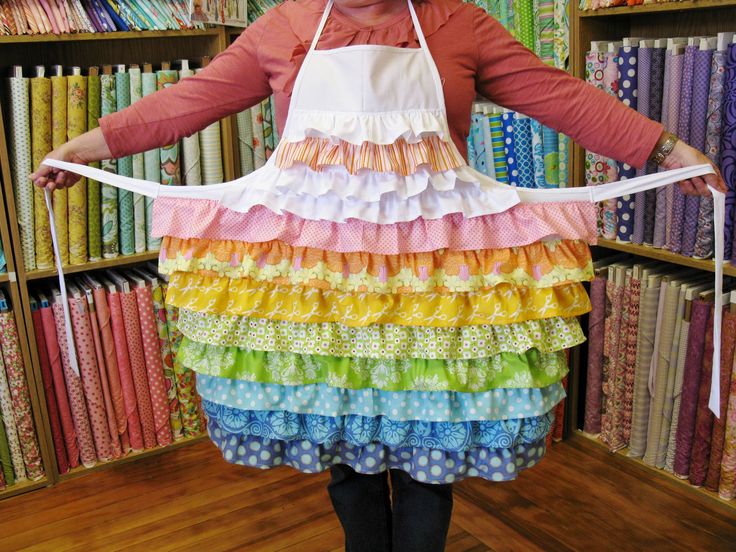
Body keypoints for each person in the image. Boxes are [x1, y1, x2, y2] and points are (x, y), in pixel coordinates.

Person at [32, 1, 726, 551]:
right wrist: (87, 147)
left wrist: (665, 149)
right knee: (347, 451)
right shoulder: (287, 27)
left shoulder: (460, 24)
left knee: (431, 449)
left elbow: (562, 98)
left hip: (436, 281)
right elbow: (187, 102)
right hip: (324, 283)